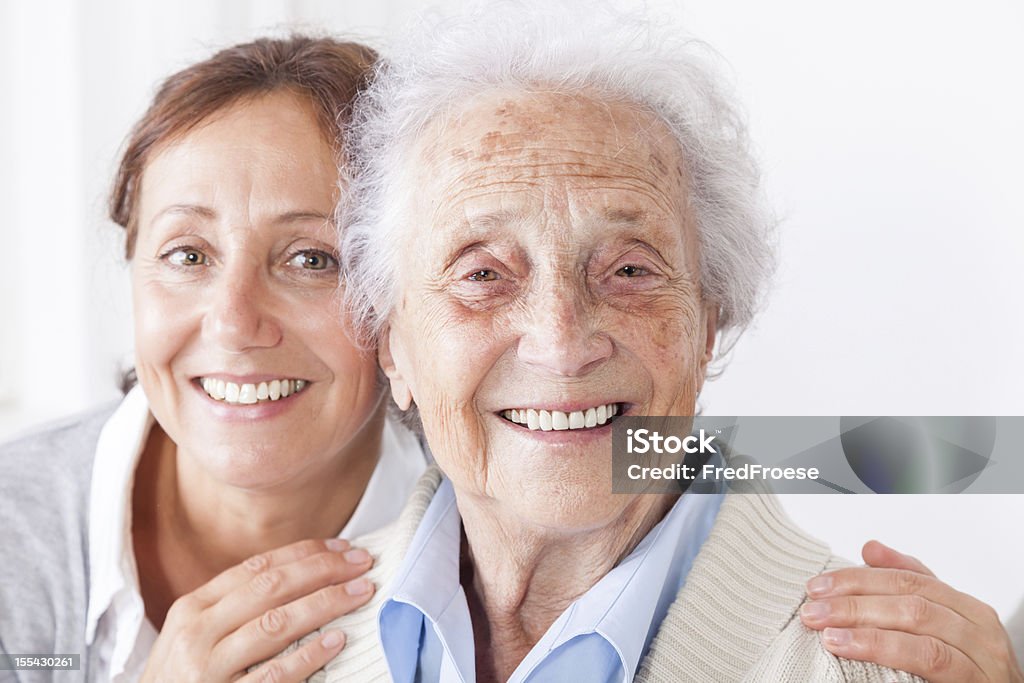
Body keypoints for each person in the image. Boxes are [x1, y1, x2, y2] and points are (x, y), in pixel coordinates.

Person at [278, 3, 1022, 681]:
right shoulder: (280, 648)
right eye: (483, 273)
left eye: (630, 268)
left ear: (707, 322)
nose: (560, 342)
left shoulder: (881, 671)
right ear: (391, 345)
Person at [0, 36, 428, 683]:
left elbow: (636, 458)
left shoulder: (495, 517)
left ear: (399, 292)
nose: (232, 323)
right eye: (189, 255)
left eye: (312, 259)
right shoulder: (13, 532)